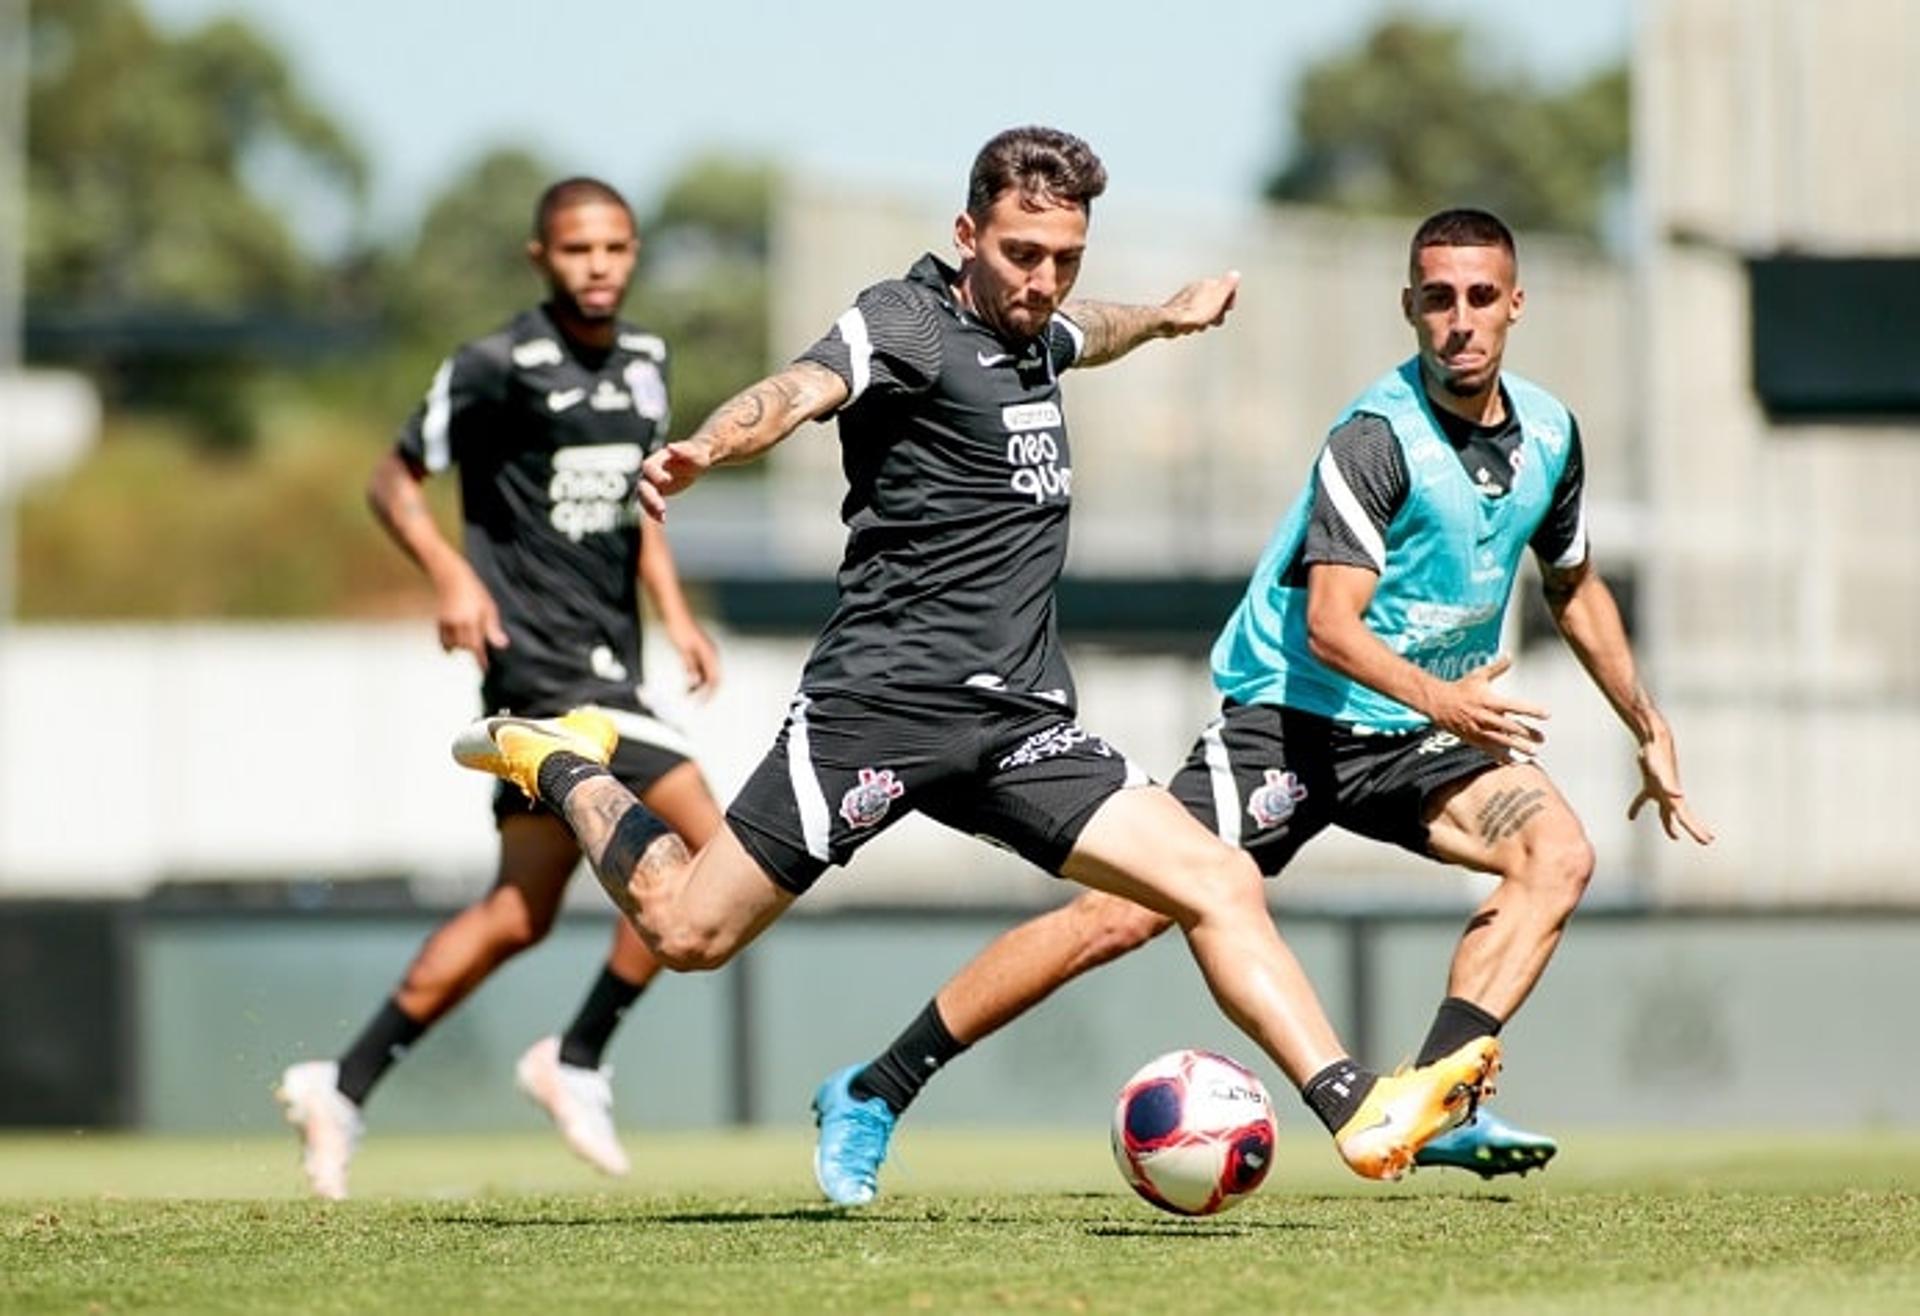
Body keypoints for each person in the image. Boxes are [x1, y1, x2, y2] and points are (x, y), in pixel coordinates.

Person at [453, 127, 1502, 1196]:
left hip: (1019, 728)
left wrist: (1167, 317)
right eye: (1019, 254)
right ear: (966, 234)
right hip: (880, 706)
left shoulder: (1038, 331)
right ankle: (566, 766)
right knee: (686, 930)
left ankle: (1354, 1105)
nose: (1043, 281)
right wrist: (709, 445)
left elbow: (1089, 329)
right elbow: (802, 385)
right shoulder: (903, 318)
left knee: (1219, 876)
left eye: (1064, 258)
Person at [803, 205, 1717, 1204]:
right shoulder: (1377, 438)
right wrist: (1445, 702)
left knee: (1560, 855)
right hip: (1292, 717)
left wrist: (1647, 721)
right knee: (1113, 918)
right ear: (1410, 307)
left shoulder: (1549, 433)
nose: (1461, 318)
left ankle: (1432, 1101)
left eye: (1482, 297)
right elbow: (1331, 624)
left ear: (1516, 304)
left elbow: (1574, 583)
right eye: (1440, 298)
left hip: (1420, 730)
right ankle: (874, 1086)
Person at [276, 178, 729, 1200]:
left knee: (521, 911)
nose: (599, 264)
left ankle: (342, 1083)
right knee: (712, 849)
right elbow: (393, 477)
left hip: (614, 664)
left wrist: (677, 613)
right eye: (578, 248)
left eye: (616, 246)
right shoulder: (494, 363)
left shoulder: (649, 363)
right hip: (540, 666)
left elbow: (637, 508)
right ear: (540, 257)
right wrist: (448, 570)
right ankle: (576, 1053)